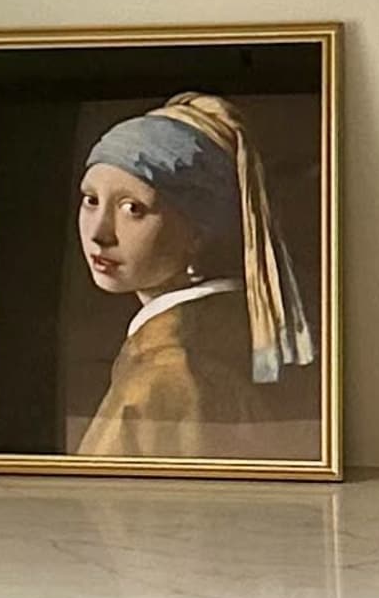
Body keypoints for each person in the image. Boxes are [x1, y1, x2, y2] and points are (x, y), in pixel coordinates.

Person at [73, 94, 317, 458]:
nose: (99, 233)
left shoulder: (167, 371)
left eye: (132, 208)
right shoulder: (226, 329)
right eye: (91, 200)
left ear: (198, 231)